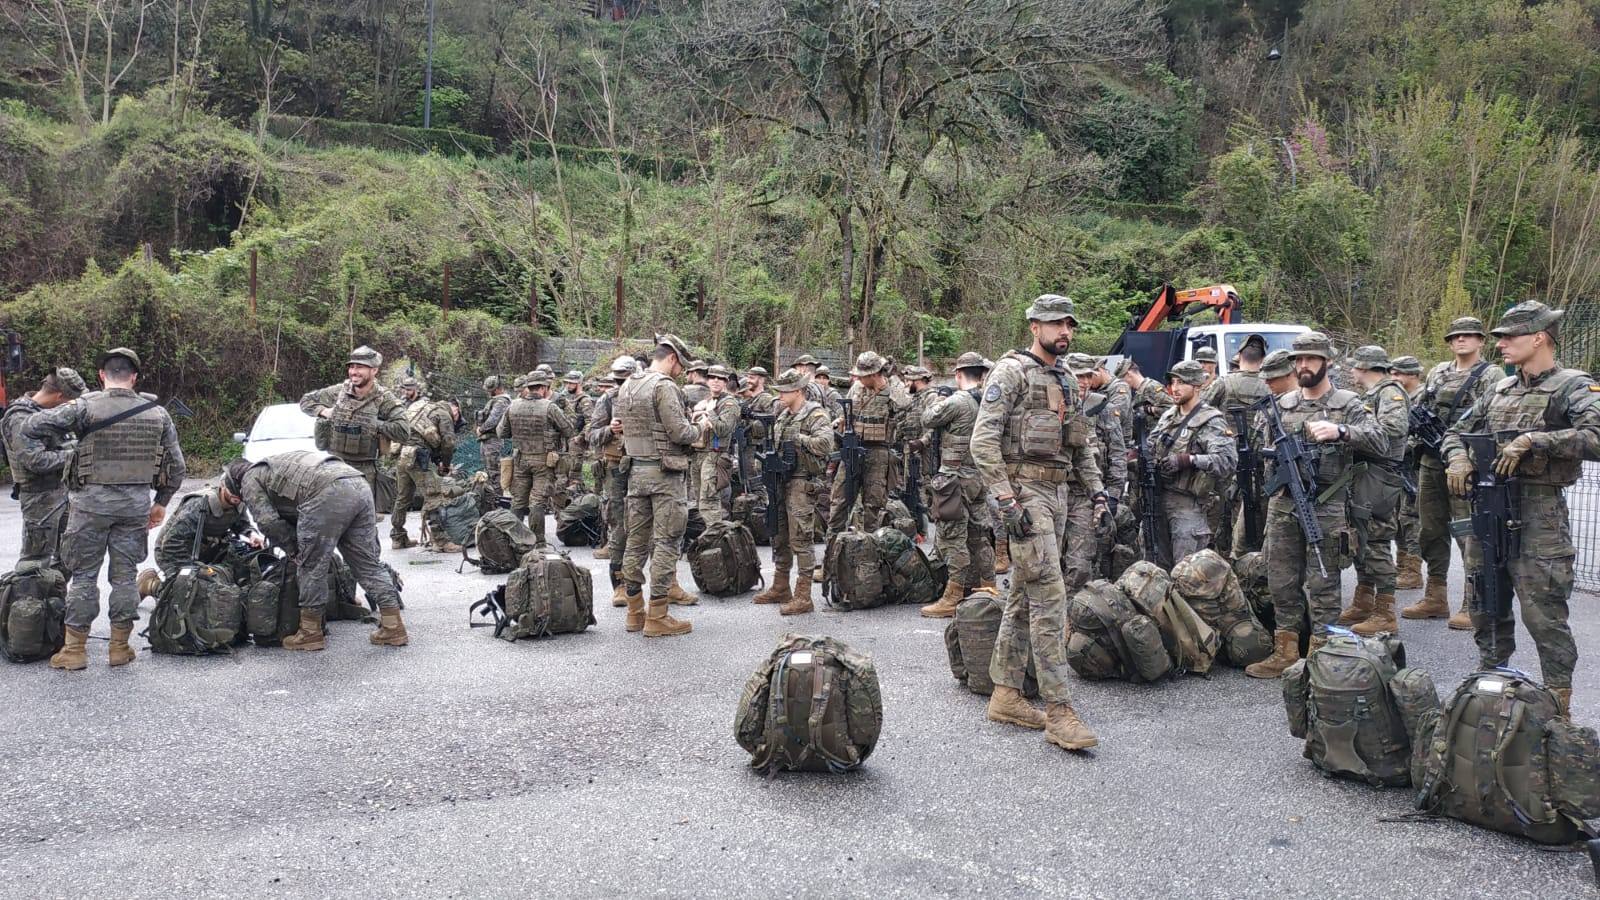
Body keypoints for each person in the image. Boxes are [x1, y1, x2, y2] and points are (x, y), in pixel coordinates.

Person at [1442, 300, 1600, 717]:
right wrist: (1458, 458)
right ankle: (1491, 693)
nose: (1501, 345)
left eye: (1510, 337)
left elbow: (1596, 436)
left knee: (1544, 615)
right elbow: (1456, 432)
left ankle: (1557, 708)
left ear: (1539, 338)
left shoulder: (1573, 385)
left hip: (1539, 514)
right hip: (1489, 508)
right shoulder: (1499, 390)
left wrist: (1537, 441)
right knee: (1486, 605)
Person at [971, 294, 1104, 752]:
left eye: (1069, 324)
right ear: (1034, 327)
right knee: (1050, 596)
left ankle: (1006, 694)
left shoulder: (1066, 377)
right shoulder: (1010, 373)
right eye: (1055, 324)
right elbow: (982, 442)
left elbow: (1081, 444)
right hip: (1026, 495)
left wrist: (1098, 490)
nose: (1064, 332)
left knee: (1026, 595)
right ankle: (1060, 709)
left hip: (1061, 492)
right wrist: (1007, 501)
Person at [26, 349, 185, 670]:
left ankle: (73, 652)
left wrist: (71, 443)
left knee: (83, 576)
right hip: (135, 507)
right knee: (125, 577)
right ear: (135, 377)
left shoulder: (85, 407)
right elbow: (178, 467)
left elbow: (32, 426)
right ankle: (119, 648)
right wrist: (160, 504)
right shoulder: (157, 413)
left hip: (88, 506)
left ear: (101, 374)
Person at [1245, 332, 1386, 679]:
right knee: (1280, 579)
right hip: (1284, 503)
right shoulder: (1282, 404)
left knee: (1324, 580)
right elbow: (1264, 448)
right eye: (1299, 360)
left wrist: (1341, 432)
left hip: (1326, 504)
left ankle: (1322, 652)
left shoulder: (1348, 403)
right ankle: (1285, 650)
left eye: (1311, 358)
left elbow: (1382, 440)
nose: (1304, 365)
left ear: (1328, 362)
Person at [231, 452, 407, 650]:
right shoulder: (274, 464)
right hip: (358, 483)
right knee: (368, 564)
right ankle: (393, 626)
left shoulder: (248, 478)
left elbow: (268, 522)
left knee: (311, 565)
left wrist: (293, 548)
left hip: (327, 491)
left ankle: (310, 632)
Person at [1403, 317, 1497, 628]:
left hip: (1466, 464)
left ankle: (1473, 602)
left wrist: (1467, 457)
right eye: (1456, 336)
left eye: (1469, 336)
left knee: (1468, 533)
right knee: (1430, 530)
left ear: (1480, 341)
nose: (1461, 341)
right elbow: (1423, 405)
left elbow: (1489, 419)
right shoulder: (1439, 372)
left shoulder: (1490, 374)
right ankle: (1436, 595)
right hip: (1431, 460)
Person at [615, 334, 705, 636]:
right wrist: (700, 427)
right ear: (672, 359)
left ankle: (634, 611)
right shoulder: (664, 387)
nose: (681, 371)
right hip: (665, 476)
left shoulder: (628, 385)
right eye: (681, 365)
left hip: (636, 474)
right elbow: (679, 432)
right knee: (667, 542)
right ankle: (658, 615)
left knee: (636, 542)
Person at [1332, 346, 1412, 635]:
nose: (1351, 371)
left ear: (1365, 367)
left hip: (1379, 474)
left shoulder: (1389, 393)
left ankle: (1385, 611)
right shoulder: (1371, 395)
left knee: (1376, 539)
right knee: (1360, 536)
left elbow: (1392, 430)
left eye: (1354, 366)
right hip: (1363, 472)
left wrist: (1350, 433)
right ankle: (1364, 600)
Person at [917, 352, 996, 617]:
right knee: (979, 535)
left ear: (959, 374)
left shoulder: (958, 401)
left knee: (953, 537)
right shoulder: (988, 400)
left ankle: (954, 594)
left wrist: (940, 397)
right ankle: (988, 587)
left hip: (954, 479)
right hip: (978, 477)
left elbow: (928, 418)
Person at [751, 369, 834, 615]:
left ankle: (803, 594)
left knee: (801, 537)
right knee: (779, 534)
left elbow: (825, 444)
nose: (780, 396)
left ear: (798, 391)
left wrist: (798, 438)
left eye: (785, 391)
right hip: (780, 480)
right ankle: (780, 585)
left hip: (801, 481)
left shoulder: (815, 414)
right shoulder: (783, 415)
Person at [1148, 360, 1238, 567]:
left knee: (1186, 571)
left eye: (1182, 383)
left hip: (1188, 504)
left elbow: (1227, 461)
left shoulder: (1210, 420)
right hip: (1159, 498)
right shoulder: (1169, 415)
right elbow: (1152, 446)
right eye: (1173, 382)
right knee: (1156, 568)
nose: (1175, 388)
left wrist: (1189, 460)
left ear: (1197, 386)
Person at [298, 346, 409, 498]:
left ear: (374, 371)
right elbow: (306, 401)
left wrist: (375, 424)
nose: (354, 372)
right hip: (334, 466)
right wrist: (324, 412)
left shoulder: (384, 399)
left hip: (364, 471)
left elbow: (403, 431)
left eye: (360, 367)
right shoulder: (338, 392)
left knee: (362, 518)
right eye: (352, 367)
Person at [1, 366, 85, 563]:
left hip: (62, 493)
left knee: (70, 556)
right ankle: (28, 595)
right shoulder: (19, 417)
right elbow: (35, 460)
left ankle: (53, 594)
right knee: (35, 562)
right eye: (69, 402)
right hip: (39, 498)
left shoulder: (45, 413)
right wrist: (76, 455)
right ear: (59, 396)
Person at [1202, 335, 1270, 557]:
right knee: (1255, 510)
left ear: (1240, 356)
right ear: (1263, 358)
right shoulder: (1271, 384)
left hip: (1227, 457)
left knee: (1223, 509)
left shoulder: (1224, 383)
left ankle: (1225, 556)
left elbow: (1200, 411)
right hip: (1262, 459)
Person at [826, 351, 908, 535]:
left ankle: (871, 545)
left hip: (878, 452)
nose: (859, 379)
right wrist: (839, 422)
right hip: (852, 449)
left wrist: (890, 380)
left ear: (873, 374)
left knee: (873, 503)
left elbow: (904, 404)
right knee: (839, 499)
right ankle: (833, 545)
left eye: (864, 376)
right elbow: (848, 411)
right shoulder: (856, 388)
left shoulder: (892, 389)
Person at [498, 371, 573, 542]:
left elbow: (501, 432)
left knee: (518, 501)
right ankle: (538, 542)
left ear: (528, 387)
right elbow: (568, 430)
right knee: (537, 501)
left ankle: (513, 541)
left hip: (520, 460)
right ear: (544, 387)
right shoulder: (549, 407)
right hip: (544, 461)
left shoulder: (513, 406)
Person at [391, 377, 460, 552]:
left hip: (402, 456)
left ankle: (398, 537)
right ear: (454, 409)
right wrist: (445, 464)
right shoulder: (444, 415)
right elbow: (449, 443)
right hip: (417, 457)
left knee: (403, 497)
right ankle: (441, 541)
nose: (456, 417)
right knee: (434, 495)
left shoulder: (421, 408)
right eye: (457, 414)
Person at [589, 357, 637, 600]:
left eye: (626, 378)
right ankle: (620, 584)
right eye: (619, 379)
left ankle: (667, 585)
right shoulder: (607, 399)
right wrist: (610, 429)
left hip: (644, 465)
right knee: (619, 524)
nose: (622, 383)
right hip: (617, 468)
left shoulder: (650, 396)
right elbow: (591, 435)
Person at [150, 478, 259, 578]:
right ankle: (151, 585)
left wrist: (251, 534)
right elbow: (171, 543)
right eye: (232, 491)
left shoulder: (239, 504)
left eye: (240, 493)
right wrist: (195, 569)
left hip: (208, 551)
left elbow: (241, 524)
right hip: (173, 553)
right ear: (223, 485)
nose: (237, 496)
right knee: (196, 585)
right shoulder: (198, 504)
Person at [1389, 355, 1425, 589]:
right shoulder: (1399, 397)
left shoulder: (1423, 396)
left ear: (1412, 375)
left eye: (1398, 374)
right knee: (1397, 516)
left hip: (1416, 465)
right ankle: (1402, 564)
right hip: (1399, 464)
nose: (1394, 378)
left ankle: (1413, 569)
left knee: (1411, 517)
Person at [690, 364, 741, 525]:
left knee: (709, 501)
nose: (716, 381)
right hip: (699, 454)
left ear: (726, 382)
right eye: (712, 377)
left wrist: (709, 413)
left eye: (720, 378)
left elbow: (724, 429)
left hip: (715, 455)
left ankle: (716, 540)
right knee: (700, 500)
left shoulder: (729, 404)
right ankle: (710, 537)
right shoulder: (706, 401)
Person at [476, 376, 512, 495]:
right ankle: (493, 499)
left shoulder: (502, 401)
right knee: (490, 471)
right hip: (488, 441)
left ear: (496, 389)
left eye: (489, 389)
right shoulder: (497, 400)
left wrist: (481, 429)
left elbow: (493, 420)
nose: (488, 392)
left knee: (494, 472)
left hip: (493, 441)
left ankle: (498, 500)